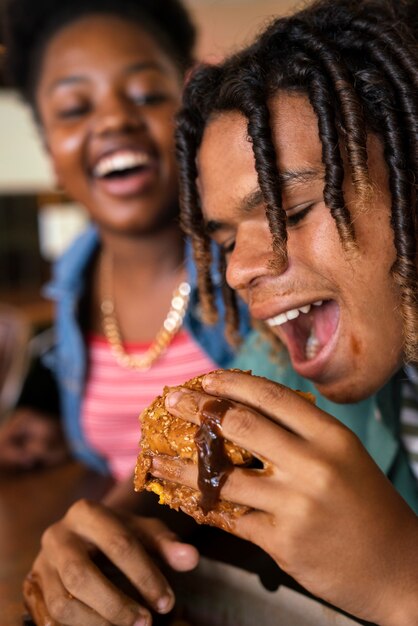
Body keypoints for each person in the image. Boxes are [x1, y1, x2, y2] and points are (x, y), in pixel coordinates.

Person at [12, 0, 418, 625]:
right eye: (225, 241)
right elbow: (183, 464)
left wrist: (399, 578)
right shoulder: (288, 350)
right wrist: (102, 541)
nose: (236, 271)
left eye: (295, 211)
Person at [0, 0, 249, 479]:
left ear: (191, 113)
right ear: (51, 151)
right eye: (75, 108)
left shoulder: (250, 263)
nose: (114, 120)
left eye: (147, 95)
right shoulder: (73, 279)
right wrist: (51, 420)